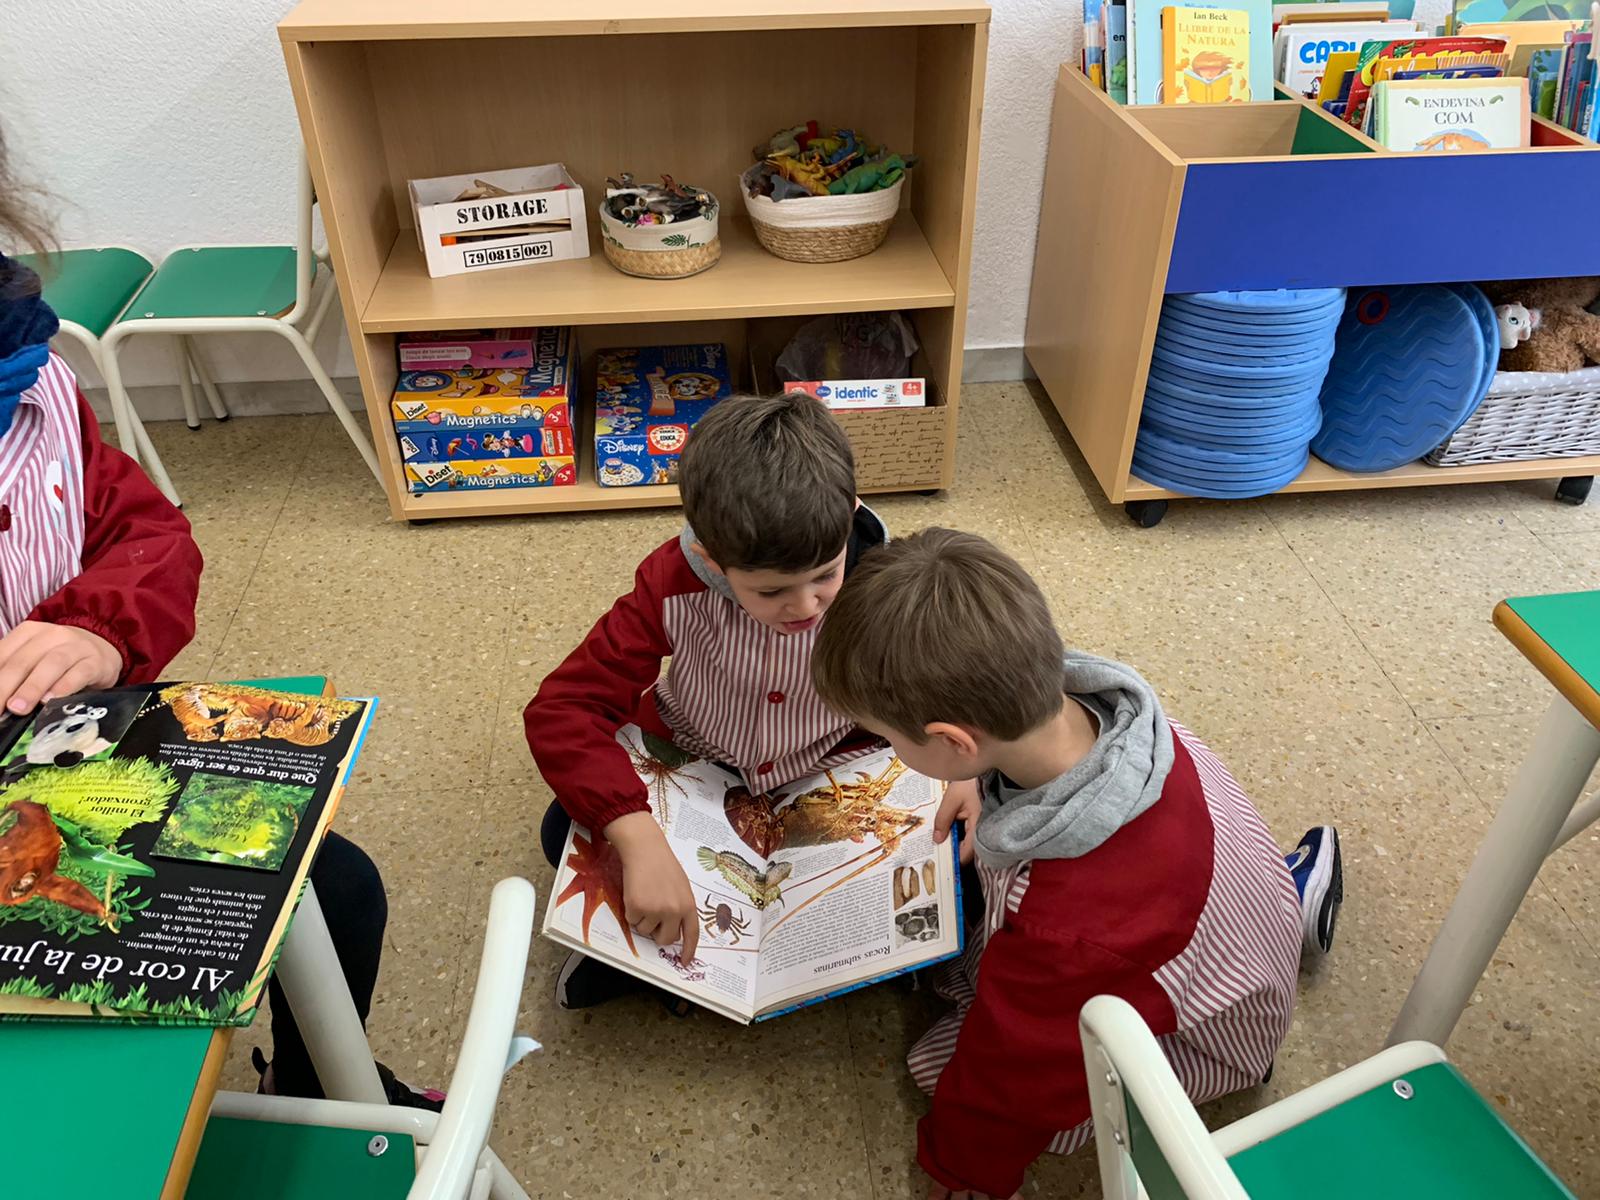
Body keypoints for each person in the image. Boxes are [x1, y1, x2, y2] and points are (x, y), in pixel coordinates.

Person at [0, 130, 438, 1110]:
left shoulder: (34, 379)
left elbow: (148, 534)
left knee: (334, 887)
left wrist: (98, 628)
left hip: (69, 758)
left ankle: (313, 1088)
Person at [811, 528, 1344, 1200]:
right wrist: (972, 774)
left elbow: (1019, 1080)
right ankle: (1297, 895)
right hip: (1218, 925)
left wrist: (960, 1169)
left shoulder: (1066, 926)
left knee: (945, 1067)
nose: (889, 749)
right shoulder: (1108, 710)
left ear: (953, 741)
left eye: (889, 738)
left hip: (1206, 1042)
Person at [527, 391, 887, 1009]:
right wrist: (637, 835)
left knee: (955, 837)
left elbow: (953, 681)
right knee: (566, 826)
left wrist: (961, 776)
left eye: (826, 575)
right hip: (698, 764)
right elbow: (564, 709)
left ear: (850, 514)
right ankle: (640, 949)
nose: (805, 606)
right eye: (770, 591)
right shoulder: (671, 581)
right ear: (711, 559)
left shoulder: (886, 579)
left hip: (829, 771)